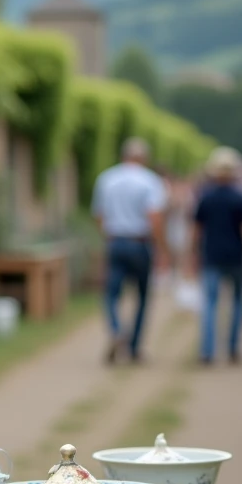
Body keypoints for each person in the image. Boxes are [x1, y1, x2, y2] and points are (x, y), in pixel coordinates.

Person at [92, 137, 169, 363]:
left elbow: (98, 215)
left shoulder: (107, 178)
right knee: (142, 297)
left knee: (111, 293)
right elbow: (155, 218)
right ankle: (134, 347)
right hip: (140, 242)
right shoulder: (150, 181)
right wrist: (162, 249)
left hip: (116, 240)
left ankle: (116, 329)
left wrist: (109, 236)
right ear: (143, 157)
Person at [190, 147, 242, 364]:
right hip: (236, 257)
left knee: (210, 304)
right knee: (237, 303)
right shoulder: (240, 198)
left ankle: (207, 351)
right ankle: (232, 348)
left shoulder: (205, 197)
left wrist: (191, 255)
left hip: (211, 256)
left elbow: (196, 231)